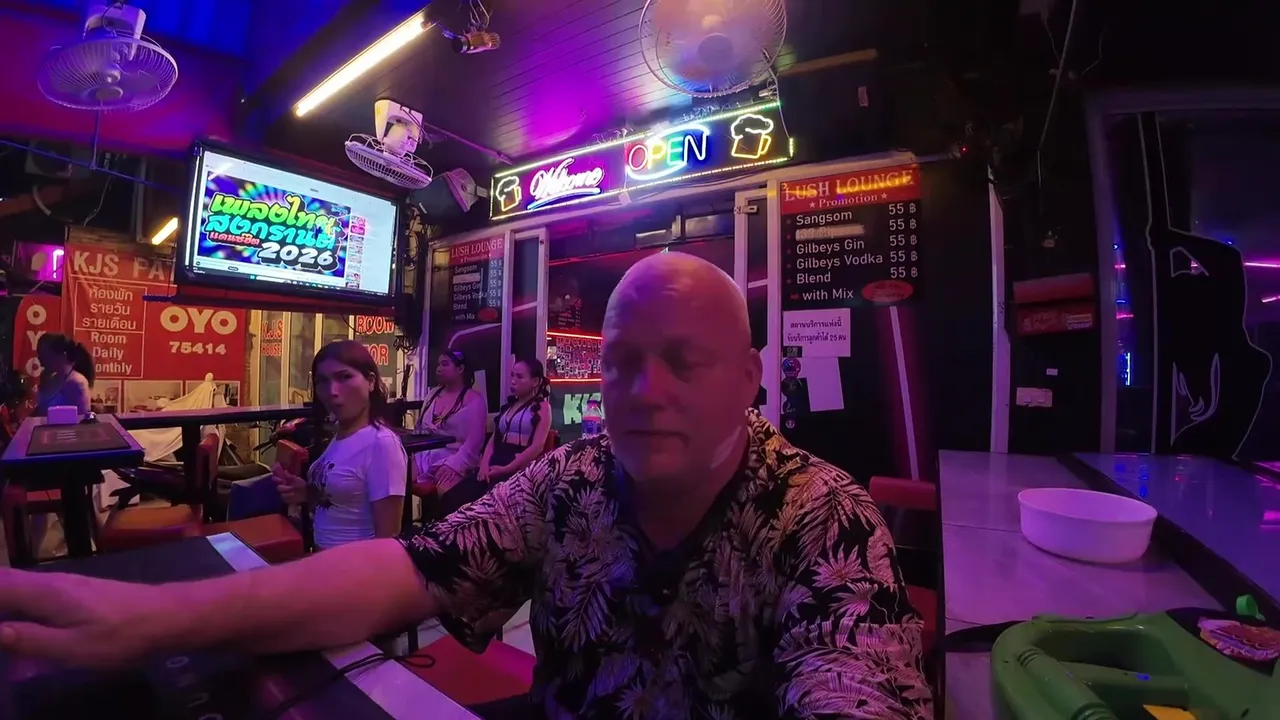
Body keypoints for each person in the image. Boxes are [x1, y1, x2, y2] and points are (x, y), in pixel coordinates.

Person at [0, 253, 931, 719]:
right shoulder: (574, 480)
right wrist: (152, 616)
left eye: (684, 362)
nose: (645, 392)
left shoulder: (826, 519)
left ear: (751, 378)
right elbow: (408, 568)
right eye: (620, 363)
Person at [274, 341, 407, 550]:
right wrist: (307, 493)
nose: (332, 391)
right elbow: (343, 504)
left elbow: (388, 540)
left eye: (344, 377)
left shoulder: (382, 443)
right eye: (322, 381)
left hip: (353, 565)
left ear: (370, 381)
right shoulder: (340, 435)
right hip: (324, 558)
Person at [412, 349, 488, 518]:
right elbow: (420, 427)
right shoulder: (432, 395)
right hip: (425, 453)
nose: (439, 368)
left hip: (454, 456)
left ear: (460, 369)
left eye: (445, 364)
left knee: (446, 494)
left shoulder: (474, 399)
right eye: (438, 364)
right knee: (397, 477)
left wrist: (454, 464)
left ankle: (443, 530)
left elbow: (474, 442)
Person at [478, 356, 551, 485]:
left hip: (519, 466)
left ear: (535, 381)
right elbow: (493, 441)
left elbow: (537, 446)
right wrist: (483, 465)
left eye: (519, 377)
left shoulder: (542, 407)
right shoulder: (508, 407)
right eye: (512, 375)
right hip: (496, 459)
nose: (513, 381)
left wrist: (507, 469)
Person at [34, 333, 93, 416]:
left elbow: (82, 418)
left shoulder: (78, 383)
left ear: (62, 355)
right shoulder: (50, 379)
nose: (39, 358)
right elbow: (42, 411)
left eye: (45, 354)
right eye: (39, 354)